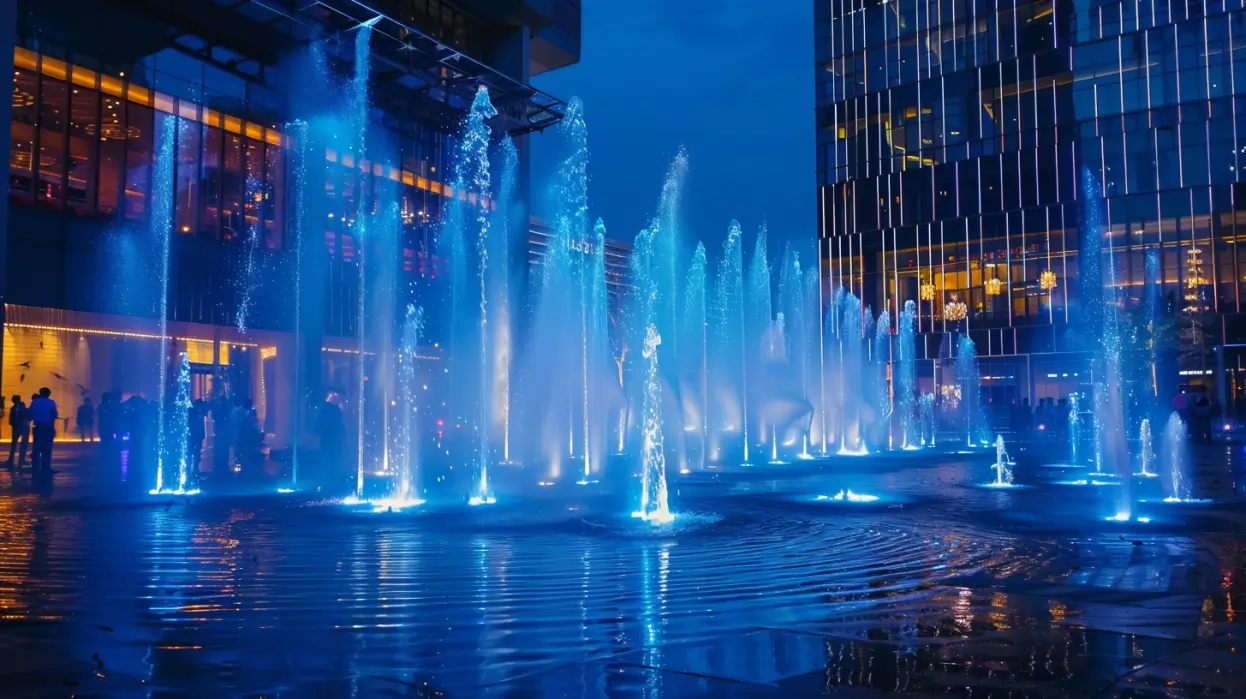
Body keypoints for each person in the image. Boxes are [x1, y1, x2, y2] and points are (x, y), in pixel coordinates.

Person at [28, 387, 58, 480]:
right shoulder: (51, 402)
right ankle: (45, 468)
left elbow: (30, 413)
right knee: (47, 448)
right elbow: (54, 414)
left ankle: (35, 466)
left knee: (36, 446)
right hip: (47, 426)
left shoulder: (34, 402)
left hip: (37, 426)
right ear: (49, 394)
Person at [6, 395, 29, 470]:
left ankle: (16, 459)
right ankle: (15, 459)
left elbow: (12, 418)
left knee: (16, 444)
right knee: (16, 444)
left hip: (18, 427)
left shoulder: (18, 408)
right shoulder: (18, 408)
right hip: (18, 427)